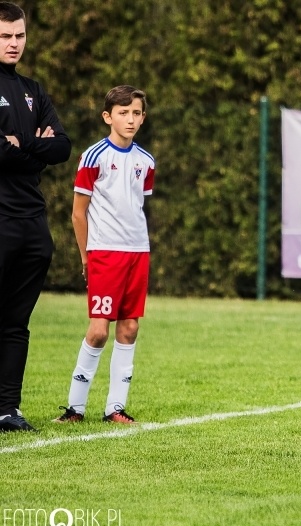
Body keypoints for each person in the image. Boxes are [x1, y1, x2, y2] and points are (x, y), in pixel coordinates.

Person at [53, 85, 155, 425]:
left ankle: (116, 408)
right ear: (107, 117)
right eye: (123, 113)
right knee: (98, 331)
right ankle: (74, 409)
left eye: (136, 113)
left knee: (129, 328)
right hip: (105, 253)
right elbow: (78, 213)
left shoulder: (146, 161)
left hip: (137, 252)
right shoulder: (93, 156)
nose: (130, 119)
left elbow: (138, 206)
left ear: (143, 117)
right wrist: (86, 256)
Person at [0, 1, 72, 433]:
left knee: (16, 323)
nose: (14, 43)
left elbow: (61, 147)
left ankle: (7, 408)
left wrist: (18, 145)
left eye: (19, 35)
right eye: (6, 35)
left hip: (32, 225)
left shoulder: (33, 88)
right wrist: (34, 147)